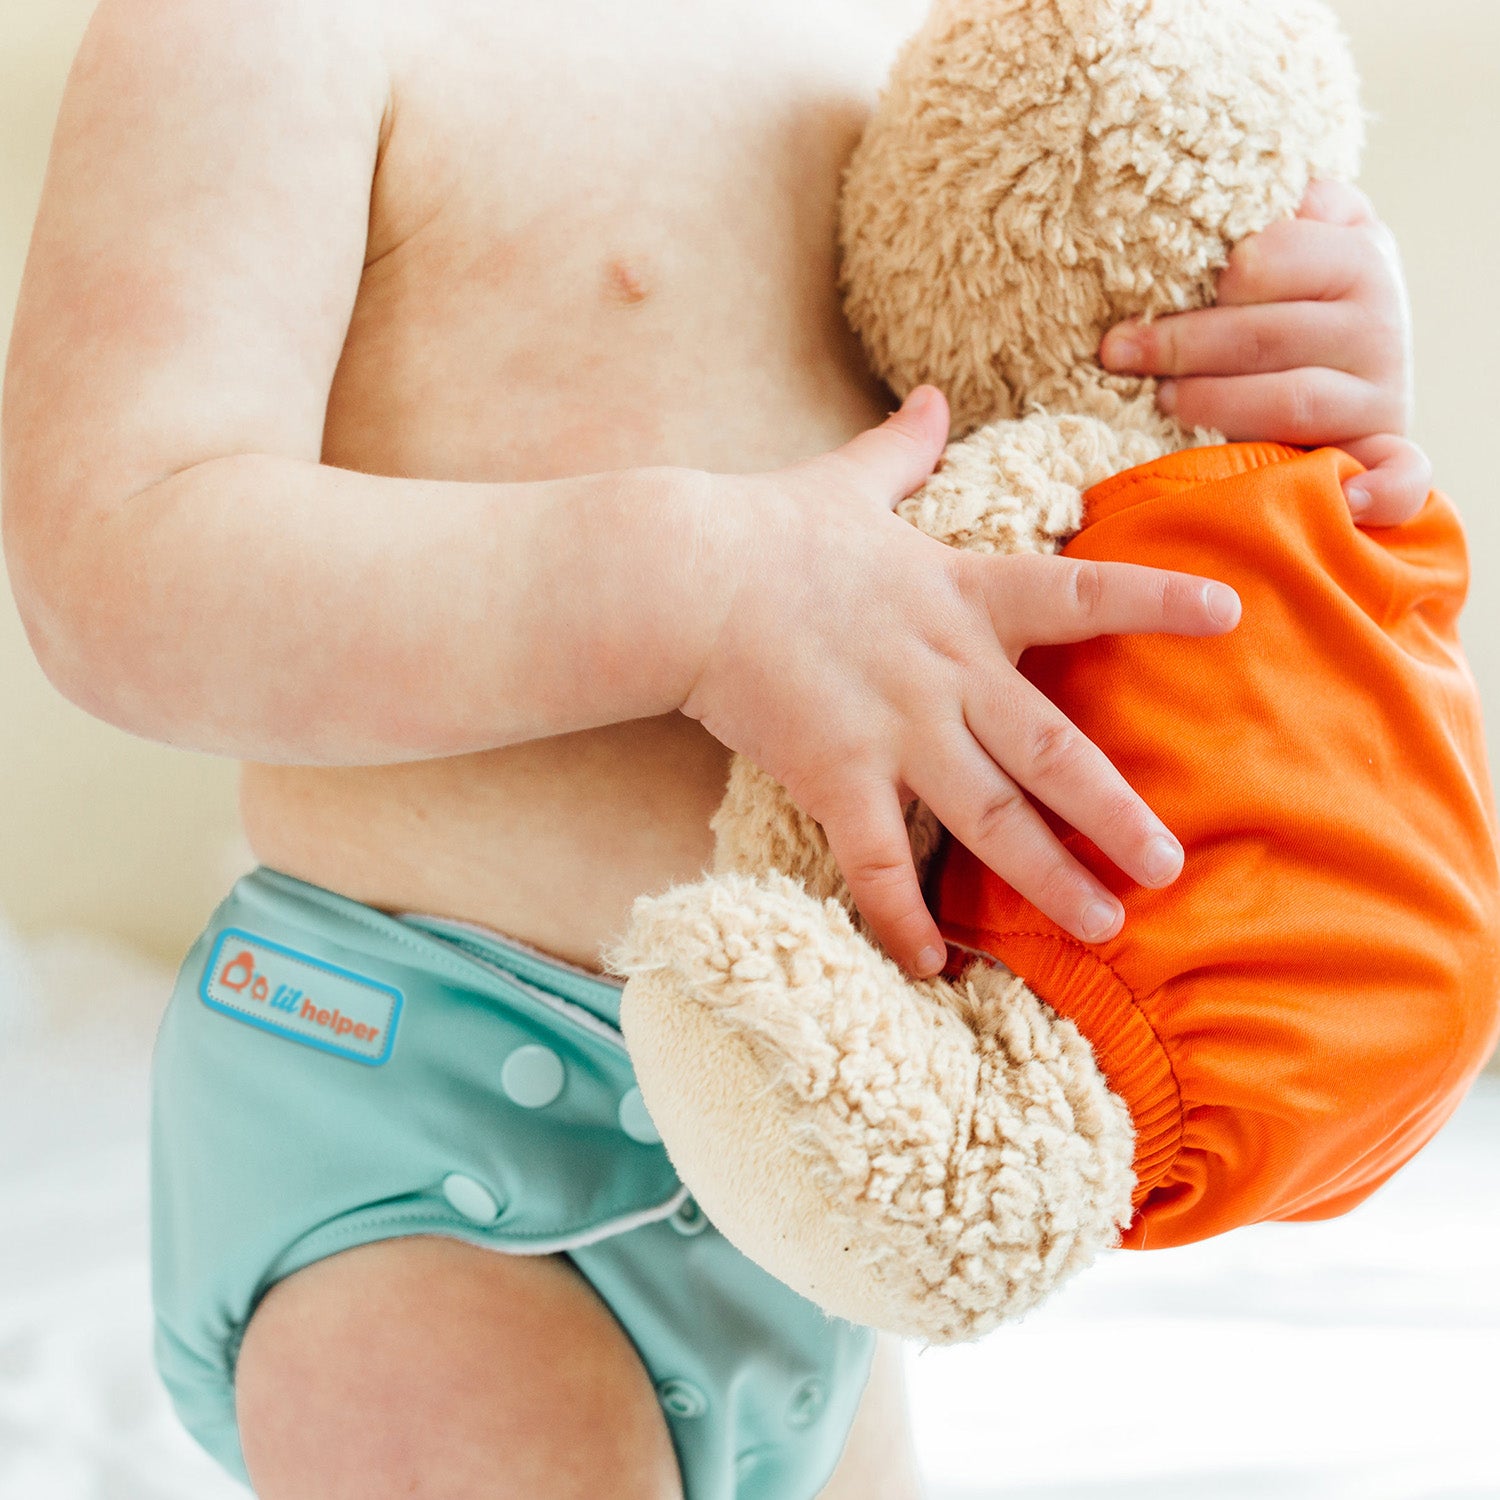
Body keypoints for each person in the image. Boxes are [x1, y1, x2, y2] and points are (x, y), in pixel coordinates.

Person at [0, 1, 1428, 1495]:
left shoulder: (932, 38)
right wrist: (691, 588)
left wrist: (1306, 398)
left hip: (817, 1154)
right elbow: (111, 561)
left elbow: (1085, 489)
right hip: (434, 1142)